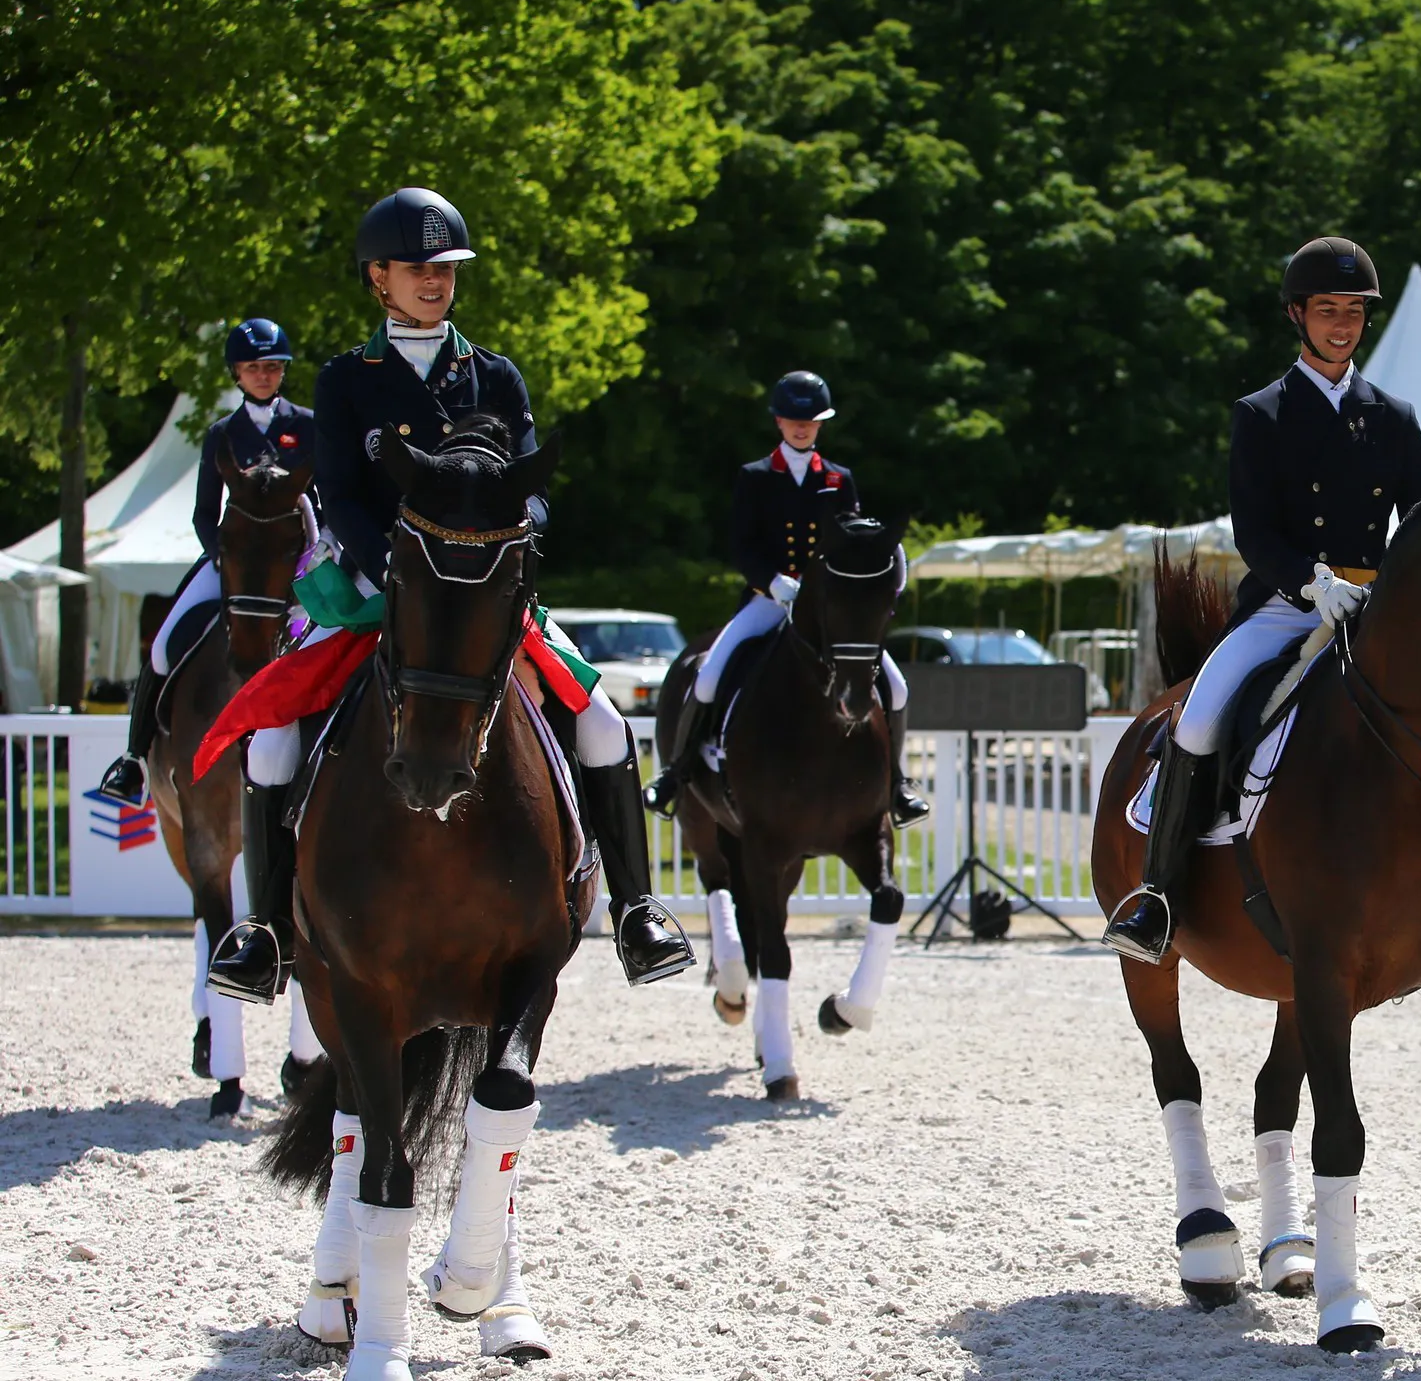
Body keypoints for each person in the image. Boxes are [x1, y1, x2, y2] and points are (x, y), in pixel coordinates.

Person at [206, 187, 693, 1003]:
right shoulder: (347, 380)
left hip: (485, 588)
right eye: (417, 269)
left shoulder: (494, 376)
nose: (434, 282)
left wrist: (510, 533)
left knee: (603, 724)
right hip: (379, 588)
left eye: (445, 268)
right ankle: (264, 933)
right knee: (275, 735)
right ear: (379, 278)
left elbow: (536, 494)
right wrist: (398, 566)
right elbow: (343, 496)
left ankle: (638, 911)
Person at [1101, 238, 1421, 963]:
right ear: (1299, 315)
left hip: (1373, 609)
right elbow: (1254, 530)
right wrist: (1316, 583)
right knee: (1193, 723)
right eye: (1327, 311)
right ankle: (1157, 896)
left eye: (1353, 311)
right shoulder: (1262, 413)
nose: (1341, 324)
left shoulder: (1395, 419)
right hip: (1288, 604)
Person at [639, 370, 928, 826]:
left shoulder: (838, 478)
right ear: (778, 421)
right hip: (769, 598)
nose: (801, 426)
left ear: (820, 425)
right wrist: (773, 581)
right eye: (793, 419)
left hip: (826, 608)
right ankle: (677, 772)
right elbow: (743, 542)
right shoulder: (754, 477)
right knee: (711, 673)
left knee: (896, 685)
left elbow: (851, 540)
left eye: (810, 420)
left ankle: (897, 784)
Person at [96, 319, 315, 805]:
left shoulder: (307, 426)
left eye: (273, 367)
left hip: (297, 564)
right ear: (237, 373)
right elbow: (202, 513)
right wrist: (220, 557)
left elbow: (321, 500)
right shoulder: (222, 433)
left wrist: (318, 553)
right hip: (232, 563)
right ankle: (133, 758)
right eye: (254, 367)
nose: (264, 375)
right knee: (162, 647)